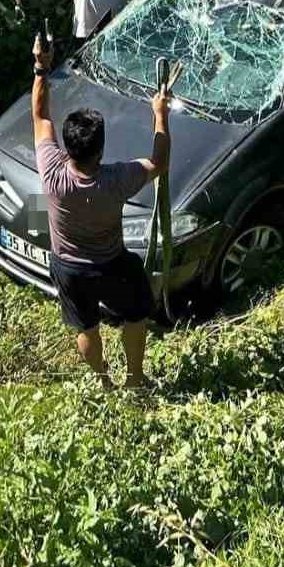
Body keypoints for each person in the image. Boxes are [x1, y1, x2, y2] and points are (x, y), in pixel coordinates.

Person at [31, 33, 170, 389]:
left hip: (68, 267)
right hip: (112, 264)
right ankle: (135, 378)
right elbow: (158, 163)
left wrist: (40, 67)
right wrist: (160, 115)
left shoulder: (51, 171)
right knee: (136, 314)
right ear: (101, 149)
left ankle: (103, 381)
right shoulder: (118, 179)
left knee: (86, 326)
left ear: (68, 146)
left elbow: (40, 115)